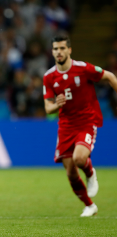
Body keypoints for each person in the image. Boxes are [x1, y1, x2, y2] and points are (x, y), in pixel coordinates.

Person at [43, 36, 117, 217]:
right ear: (52, 51)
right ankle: (90, 205)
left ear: (69, 50)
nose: (58, 52)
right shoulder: (49, 76)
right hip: (66, 126)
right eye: (55, 49)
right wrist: (57, 105)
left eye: (62, 48)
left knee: (79, 158)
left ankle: (91, 173)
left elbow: (109, 76)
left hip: (86, 121)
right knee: (71, 172)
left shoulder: (83, 69)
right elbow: (48, 108)